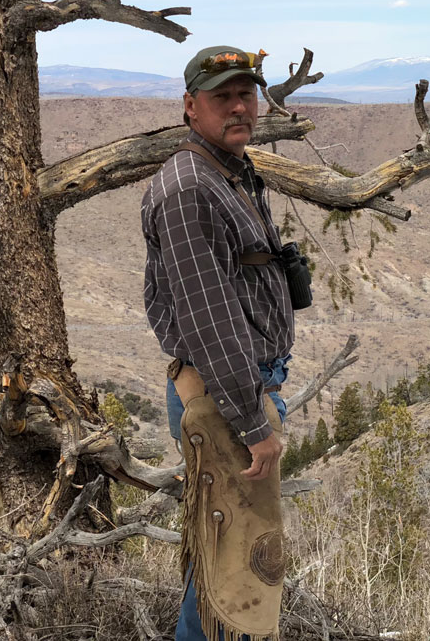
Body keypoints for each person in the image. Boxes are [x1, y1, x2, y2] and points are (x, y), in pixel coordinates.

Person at [141, 45, 294, 641]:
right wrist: (254, 421)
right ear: (190, 106)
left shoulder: (225, 171)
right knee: (237, 573)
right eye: (222, 96)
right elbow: (210, 322)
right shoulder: (189, 188)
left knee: (225, 560)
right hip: (227, 396)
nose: (238, 107)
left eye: (246, 94)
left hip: (237, 389)